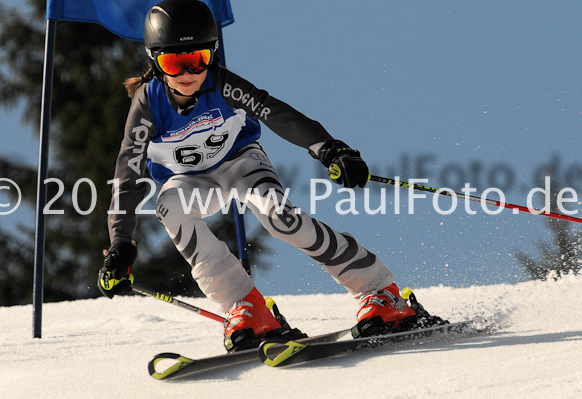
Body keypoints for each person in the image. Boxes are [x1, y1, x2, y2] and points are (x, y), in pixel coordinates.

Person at [98, 0, 421, 351]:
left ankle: (379, 290)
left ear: (213, 53)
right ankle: (246, 306)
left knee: (280, 219)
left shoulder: (221, 85)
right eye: (174, 62)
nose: (187, 73)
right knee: (170, 207)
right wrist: (120, 245)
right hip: (190, 182)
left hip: (241, 163)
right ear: (155, 61)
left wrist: (328, 148)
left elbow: (275, 112)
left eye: (198, 59)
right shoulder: (148, 103)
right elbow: (127, 173)